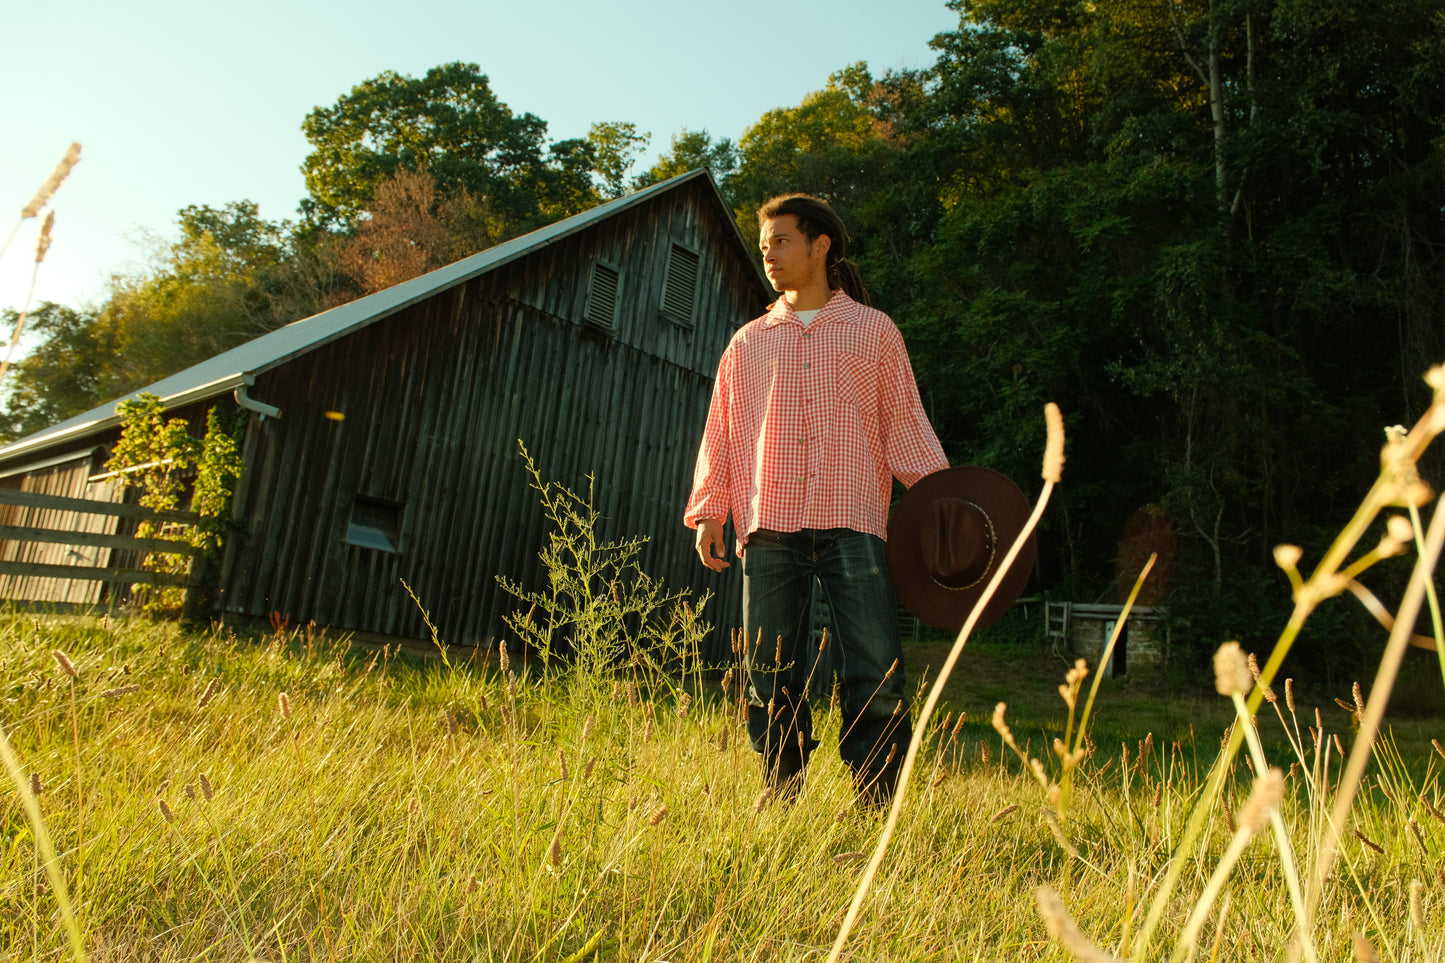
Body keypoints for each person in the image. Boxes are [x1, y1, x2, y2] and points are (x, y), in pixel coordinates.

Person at [683, 193, 948, 807]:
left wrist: (944, 503)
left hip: (854, 519)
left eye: (780, 240)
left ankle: (876, 802)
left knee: (875, 669)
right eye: (765, 244)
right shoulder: (746, 343)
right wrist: (708, 512)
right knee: (771, 673)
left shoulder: (873, 331)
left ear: (819, 246)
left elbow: (904, 424)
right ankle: (780, 794)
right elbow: (721, 432)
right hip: (769, 523)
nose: (768, 254)